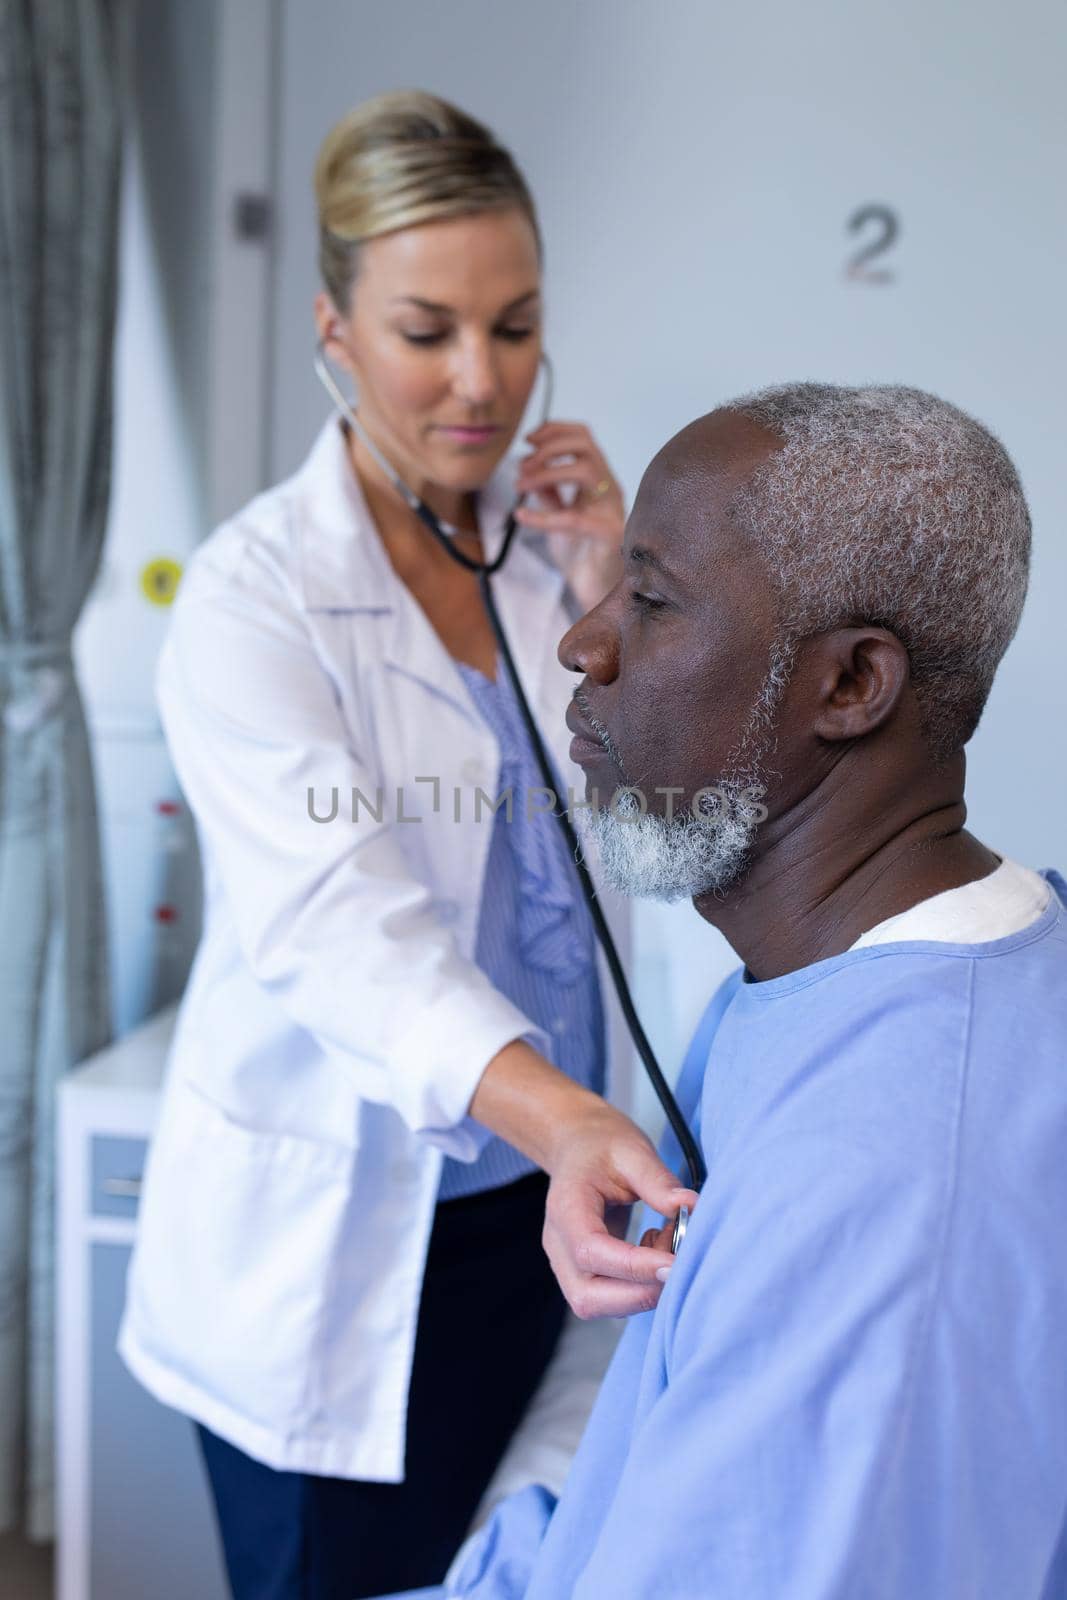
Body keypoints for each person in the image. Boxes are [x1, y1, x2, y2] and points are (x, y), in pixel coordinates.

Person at [118, 91, 692, 1600]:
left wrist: (619, 604)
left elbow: (650, 844)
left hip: (534, 1226)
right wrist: (561, 1116)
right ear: (334, 326)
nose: (480, 380)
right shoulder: (255, 598)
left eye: (514, 327)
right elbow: (338, 925)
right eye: (426, 329)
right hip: (340, 1246)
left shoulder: (541, 555)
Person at [444, 383, 1067, 1599]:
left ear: (848, 687)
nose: (585, 642)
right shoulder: (849, 980)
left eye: (655, 600)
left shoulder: (879, 1189)